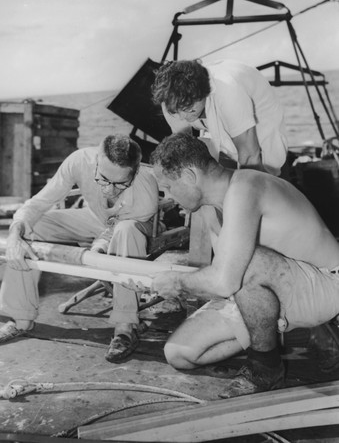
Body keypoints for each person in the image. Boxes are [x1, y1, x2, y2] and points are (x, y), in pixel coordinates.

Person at [149, 133, 339, 397]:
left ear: (190, 177)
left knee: (246, 263)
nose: (167, 197)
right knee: (179, 353)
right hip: (279, 288)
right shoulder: (208, 207)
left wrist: (178, 283)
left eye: (168, 187)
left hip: (327, 285)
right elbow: (224, 284)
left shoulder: (246, 187)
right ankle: (273, 333)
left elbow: (226, 280)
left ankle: (265, 367)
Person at [0, 134, 159, 363]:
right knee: (34, 225)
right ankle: (21, 317)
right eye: (103, 179)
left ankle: (126, 327)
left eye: (120, 184)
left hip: (129, 225)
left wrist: (98, 249)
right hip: (94, 218)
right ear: (96, 161)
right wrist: (16, 233)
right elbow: (39, 202)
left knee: (126, 231)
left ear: (134, 172)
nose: (109, 191)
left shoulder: (146, 191)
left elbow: (113, 231)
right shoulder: (79, 160)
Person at [152, 58, 288, 176]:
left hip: (261, 133)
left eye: (188, 108)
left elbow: (250, 156)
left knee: (264, 183)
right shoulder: (171, 99)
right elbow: (184, 151)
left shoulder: (228, 91)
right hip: (222, 136)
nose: (182, 117)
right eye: (175, 111)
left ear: (202, 94)